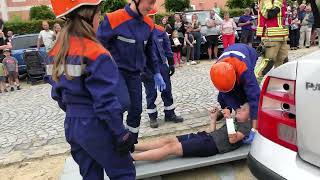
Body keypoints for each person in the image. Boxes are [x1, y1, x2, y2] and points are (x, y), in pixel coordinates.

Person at [47, 0, 136, 179]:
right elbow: (105, 102)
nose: (100, 19)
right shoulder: (96, 52)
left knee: (90, 175)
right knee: (123, 173)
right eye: (99, 15)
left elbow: (57, 94)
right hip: (97, 124)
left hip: (72, 125)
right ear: (89, 16)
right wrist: (121, 133)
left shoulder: (55, 52)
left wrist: (76, 114)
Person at [97, 0, 166, 144]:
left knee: (136, 110)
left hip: (135, 74)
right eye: (150, 2)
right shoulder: (113, 19)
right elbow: (98, 46)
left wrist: (156, 72)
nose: (152, 7)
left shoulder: (148, 24)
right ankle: (115, 140)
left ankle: (130, 144)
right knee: (121, 104)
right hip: (115, 73)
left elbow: (149, 50)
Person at [132, 103, 251, 161]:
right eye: (240, 107)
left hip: (211, 146)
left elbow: (233, 139)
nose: (239, 109)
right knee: (168, 140)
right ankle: (131, 147)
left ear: (250, 116)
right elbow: (212, 131)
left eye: (244, 109)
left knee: (171, 147)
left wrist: (229, 119)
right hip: (206, 137)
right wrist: (213, 118)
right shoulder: (234, 120)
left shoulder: (246, 126)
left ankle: (132, 158)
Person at [210, 43, 260, 142]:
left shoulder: (245, 70)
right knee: (222, 97)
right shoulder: (217, 71)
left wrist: (254, 128)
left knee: (246, 93)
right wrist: (235, 110)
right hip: (230, 58)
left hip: (248, 54)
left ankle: (248, 113)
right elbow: (225, 94)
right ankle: (239, 111)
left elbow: (255, 97)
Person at [142, 24, 184, 128]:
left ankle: (170, 114)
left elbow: (167, 47)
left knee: (167, 90)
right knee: (151, 92)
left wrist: (171, 63)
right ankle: (152, 116)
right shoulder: (139, 30)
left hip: (161, 65)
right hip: (147, 67)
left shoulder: (160, 30)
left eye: (152, 16)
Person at [256, 0, 289, 76]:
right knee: (267, 64)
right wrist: (278, 5)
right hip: (271, 37)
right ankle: (254, 86)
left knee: (283, 64)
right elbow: (269, 14)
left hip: (282, 36)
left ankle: (279, 85)